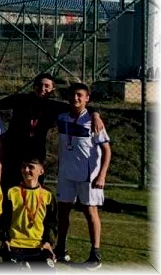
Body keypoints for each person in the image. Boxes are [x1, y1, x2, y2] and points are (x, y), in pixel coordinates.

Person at [55, 82, 111, 268]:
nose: (75, 98)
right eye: (72, 95)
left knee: (90, 211)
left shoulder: (93, 121)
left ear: (87, 98)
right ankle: (60, 249)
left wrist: (102, 175)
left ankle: (95, 255)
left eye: (80, 95)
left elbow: (107, 151)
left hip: (88, 175)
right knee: (62, 212)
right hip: (66, 174)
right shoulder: (62, 117)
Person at [0, 72, 69, 188]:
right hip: (14, 150)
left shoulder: (54, 106)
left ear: (53, 89)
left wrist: (95, 115)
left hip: (36, 151)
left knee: (34, 186)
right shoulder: (20, 99)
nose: (42, 88)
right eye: (39, 85)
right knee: (9, 185)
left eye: (47, 86)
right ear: (34, 85)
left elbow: (81, 108)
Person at [0, 157, 59, 265]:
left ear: (41, 171)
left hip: (39, 246)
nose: (26, 170)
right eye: (24, 167)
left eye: (31, 167)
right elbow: (1, 218)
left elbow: (52, 222)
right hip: (14, 246)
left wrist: (48, 242)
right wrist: (4, 239)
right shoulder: (11, 192)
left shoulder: (48, 195)